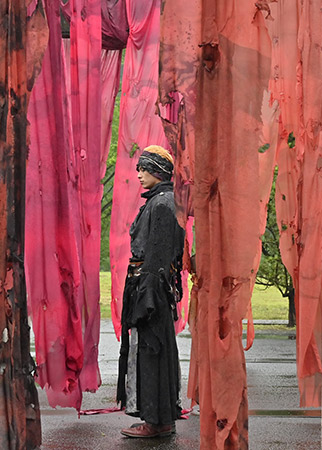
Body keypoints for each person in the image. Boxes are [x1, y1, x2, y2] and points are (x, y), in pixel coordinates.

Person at [117, 145, 185, 438]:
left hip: (151, 290)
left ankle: (157, 422)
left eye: (144, 169)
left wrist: (147, 296)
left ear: (158, 171)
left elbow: (158, 256)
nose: (139, 174)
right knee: (151, 350)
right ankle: (157, 418)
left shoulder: (163, 204)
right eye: (139, 169)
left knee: (153, 351)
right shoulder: (162, 201)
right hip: (149, 287)